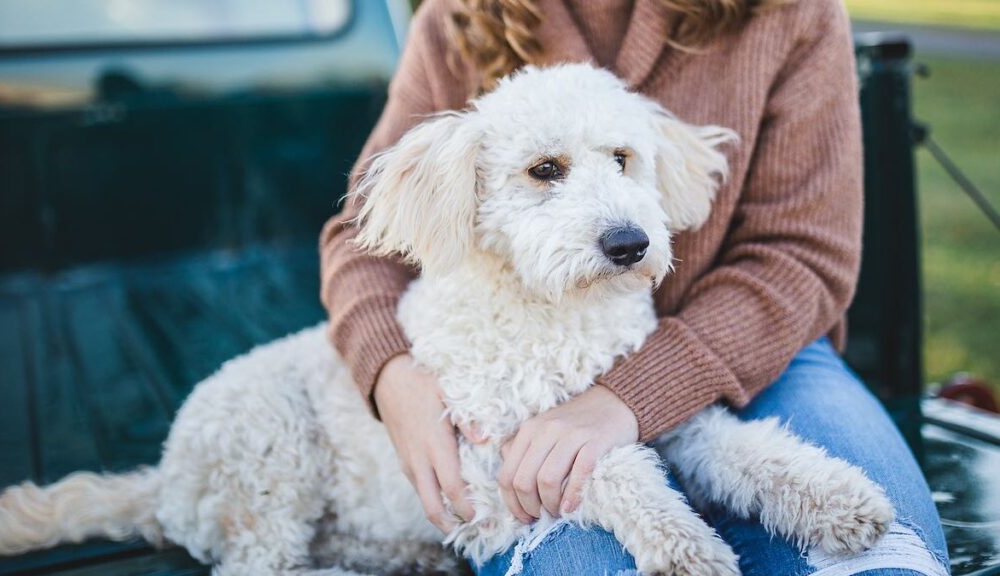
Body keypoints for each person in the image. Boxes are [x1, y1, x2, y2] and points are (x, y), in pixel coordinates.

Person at [319, 0, 951, 574]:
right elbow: (362, 238)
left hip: (763, 349)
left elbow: (804, 254)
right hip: (520, 362)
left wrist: (629, 397)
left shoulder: (791, 13)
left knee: (884, 560)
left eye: (621, 160)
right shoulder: (462, 14)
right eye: (546, 171)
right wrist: (391, 374)